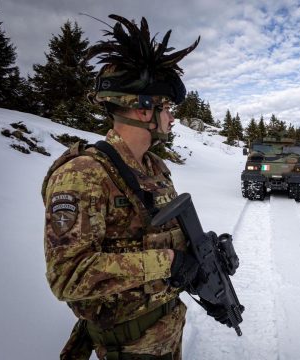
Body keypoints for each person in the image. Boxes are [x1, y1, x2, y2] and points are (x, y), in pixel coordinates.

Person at [42, 15, 230, 360]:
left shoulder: (154, 167)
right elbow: (67, 277)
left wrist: (206, 262)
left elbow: (161, 239)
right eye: (167, 108)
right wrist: (169, 262)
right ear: (143, 110)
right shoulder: (85, 174)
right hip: (127, 344)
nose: (172, 118)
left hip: (165, 328)